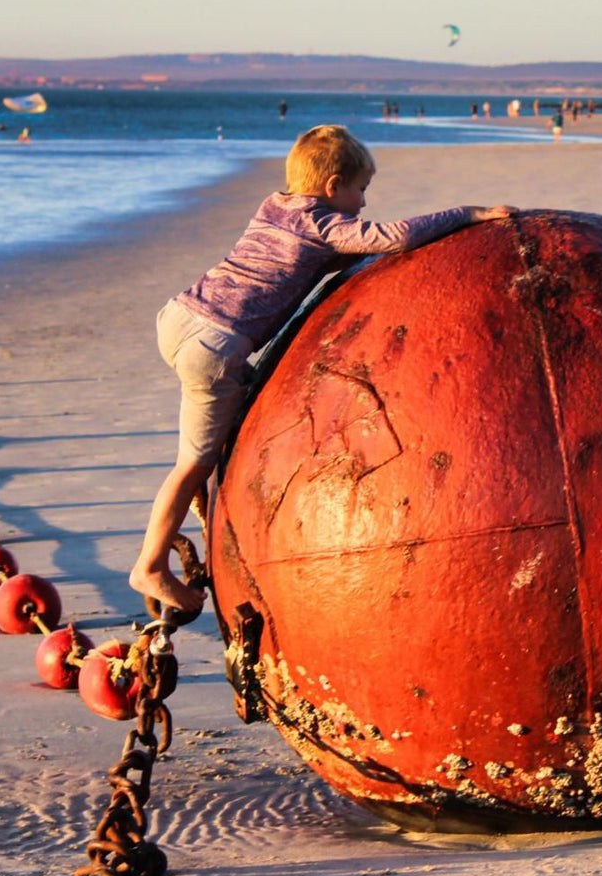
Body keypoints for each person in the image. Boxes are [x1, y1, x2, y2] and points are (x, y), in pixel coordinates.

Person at [129, 125, 516, 613]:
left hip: (180, 316)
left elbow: (299, 259)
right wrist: (470, 214)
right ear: (333, 187)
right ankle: (150, 565)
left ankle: (203, 512)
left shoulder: (274, 207)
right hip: (217, 341)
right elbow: (393, 238)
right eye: (360, 191)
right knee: (191, 464)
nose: (363, 203)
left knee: (226, 421)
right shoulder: (322, 223)